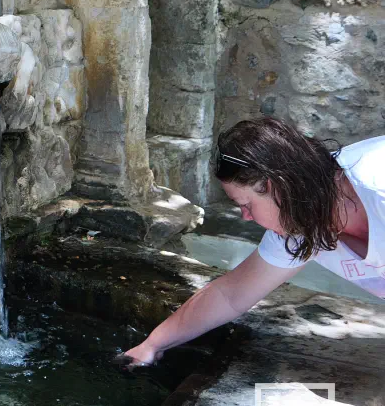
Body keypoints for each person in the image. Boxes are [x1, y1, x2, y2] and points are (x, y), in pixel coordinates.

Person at [123, 116, 385, 366]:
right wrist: (152, 345)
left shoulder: (377, 190)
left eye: (246, 204)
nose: (246, 217)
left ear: (275, 186)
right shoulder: (300, 215)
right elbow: (230, 295)